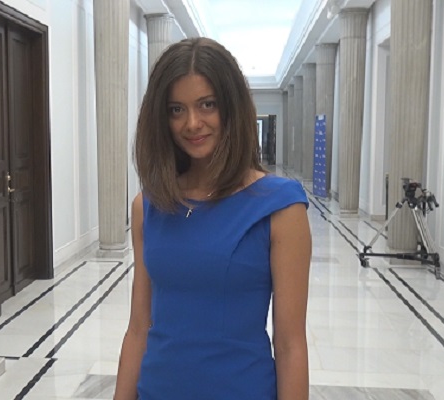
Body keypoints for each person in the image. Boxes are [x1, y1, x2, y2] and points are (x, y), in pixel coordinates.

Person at [114, 37, 311, 400]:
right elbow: (138, 329)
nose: (192, 123)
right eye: (176, 109)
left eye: (207, 104)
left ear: (231, 107)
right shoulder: (149, 206)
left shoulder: (280, 207)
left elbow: (290, 344)